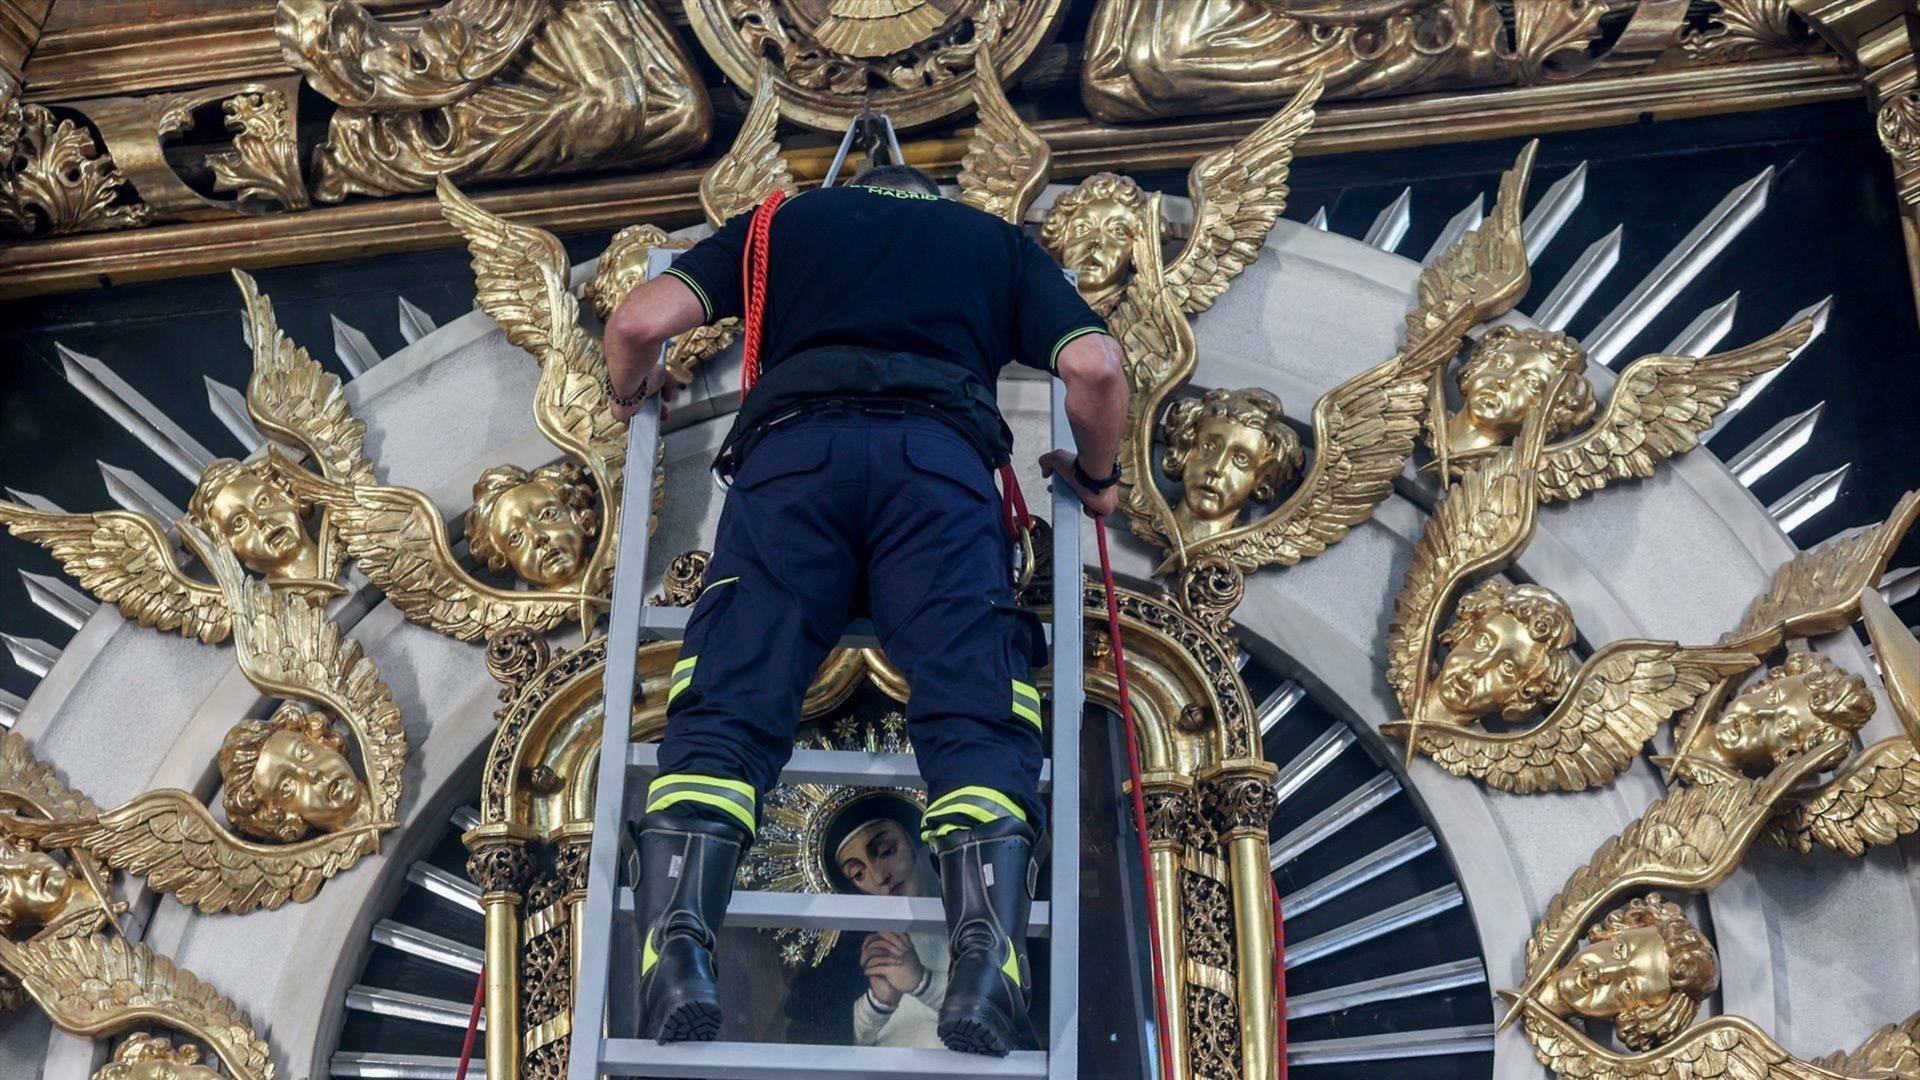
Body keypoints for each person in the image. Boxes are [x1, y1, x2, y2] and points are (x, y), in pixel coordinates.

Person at [602, 163, 1129, 1056]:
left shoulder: (782, 225)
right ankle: (983, 969)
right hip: (937, 475)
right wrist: (1098, 476)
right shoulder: (995, 244)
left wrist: (630, 392)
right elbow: (1096, 366)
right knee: (976, 713)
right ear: (930, 193)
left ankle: (678, 950)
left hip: (792, 470)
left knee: (727, 704)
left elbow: (636, 323)